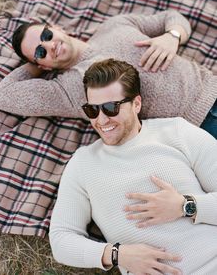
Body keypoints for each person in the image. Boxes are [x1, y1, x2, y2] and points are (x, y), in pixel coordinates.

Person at [49, 58, 217, 275]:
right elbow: (61, 240)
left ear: (136, 104)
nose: (101, 120)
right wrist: (117, 254)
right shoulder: (82, 163)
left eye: (111, 108)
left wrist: (185, 206)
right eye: (92, 110)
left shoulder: (177, 131)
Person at [0, 10, 217, 138]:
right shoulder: (66, 89)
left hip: (212, 84)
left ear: (56, 28)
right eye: (41, 51)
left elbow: (173, 17)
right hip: (200, 124)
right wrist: (34, 65)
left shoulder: (114, 24)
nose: (50, 45)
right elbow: (3, 96)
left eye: (47, 35)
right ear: (44, 66)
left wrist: (173, 36)